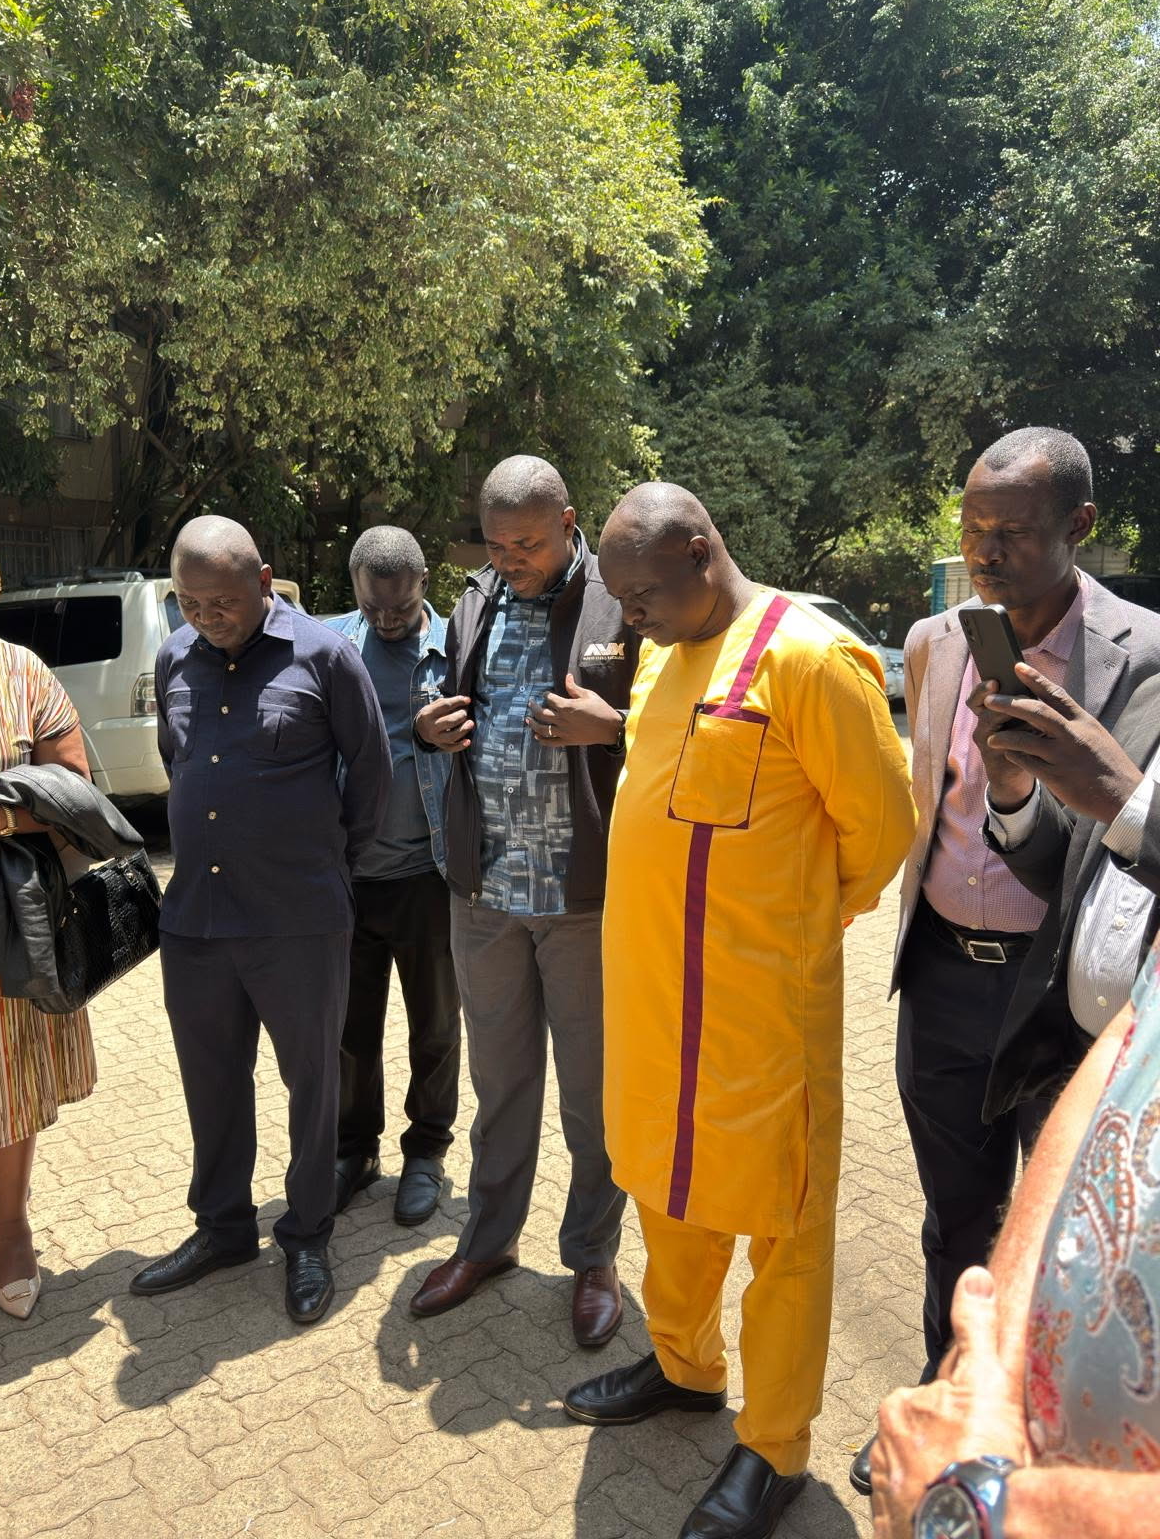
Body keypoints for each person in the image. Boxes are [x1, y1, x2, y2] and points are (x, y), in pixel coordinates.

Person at [564, 485, 915, 1539]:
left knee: (782, 1227)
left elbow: (884, 828)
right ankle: (684, 1365)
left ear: (704, 554)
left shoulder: (807, 660)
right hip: (651, 1012)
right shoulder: (668, 657)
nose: (631, 617)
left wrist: (798, 923)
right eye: (620, 598)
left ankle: (773, 1446)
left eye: (644, 593)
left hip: (763, 1020)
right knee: (671, 1196)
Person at [850, 427, 1160, 1498]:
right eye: (975, 530)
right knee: (954, 1220)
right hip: (939, 974)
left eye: (1015, 533)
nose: (988, 552)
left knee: (1060, 1244)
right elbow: (928, 798)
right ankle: (944, 1413)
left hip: (1065, 998)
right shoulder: (937, 639)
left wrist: (1046, 790)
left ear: (1080, 527)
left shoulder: (1147, 655)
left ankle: (1034, 1451)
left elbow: (1119, 840)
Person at [130, 516, 391, 1325]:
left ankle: (307, 1233)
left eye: (225, 601)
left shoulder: (323, 654)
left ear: (265, 579)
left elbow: (373, 776)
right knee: (211, 1082)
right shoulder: (174, 656)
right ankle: (223, 1228)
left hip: (299, 918)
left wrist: (318, 864)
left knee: (311, 1082)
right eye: (193, 603)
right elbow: (181, 767)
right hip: (197, 921)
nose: (210, 616)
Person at [408, 455, 633, 1349]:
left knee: (593, 1092)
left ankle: (592, 1257)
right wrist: (430, 725)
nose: (512, 560)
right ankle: (490, 1242)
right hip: (486, 891)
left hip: (584, 898)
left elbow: (676, 723)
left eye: (529, 544)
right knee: (499, 1085)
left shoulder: (623, 601)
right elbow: (439, 693)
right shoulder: (477, 599)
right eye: (498, 546)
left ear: (570, 522)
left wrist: (612, 730)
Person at [870, 935, 1160, 1537]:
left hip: (1009, 1508)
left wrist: (984, 1507)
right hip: (1004, 1447)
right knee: (952, 1222)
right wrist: (989, 1379)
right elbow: (1134, 1025)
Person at [0, 532, 96, 1320]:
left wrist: (3, 815)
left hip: (2, 925)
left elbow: (75, 786)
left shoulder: (22, 673)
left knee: (2, 1073)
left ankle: (9, 1227)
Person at [324, 525, 461, 1226]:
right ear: (355, 587)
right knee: (350, 1029)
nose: (386, 621)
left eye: (401, 610)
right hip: (348, 877)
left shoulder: (457, 649)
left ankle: (428, 1151)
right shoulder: (326, 646)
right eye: (374, 608)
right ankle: (355, 1150)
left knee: (435, 1025)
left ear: (423, 584)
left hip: (427, 877)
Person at [977, 663, 1160, 1121]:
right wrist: (1013, 789)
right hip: (1074, 1065)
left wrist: (1129, 804)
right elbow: (1071, 874)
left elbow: (1124, 810)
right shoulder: (1152, 694)